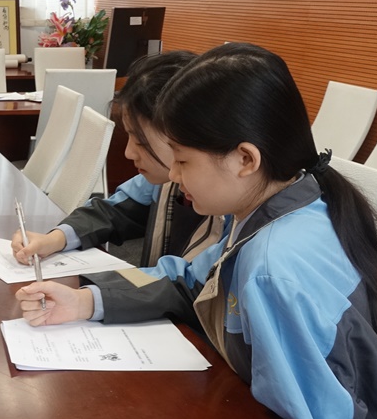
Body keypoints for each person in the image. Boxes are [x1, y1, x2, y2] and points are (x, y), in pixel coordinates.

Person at [16, 43, 377, 419]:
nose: (172, 177)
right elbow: (192, 276)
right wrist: (84, 301)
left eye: (182, 162)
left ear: (245, 158)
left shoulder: (271, 267)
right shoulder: (286, 207)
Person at [12, 50, 225, 269]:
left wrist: (97, 288)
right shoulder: (162, 183)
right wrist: (56, 239)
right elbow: (111, 212)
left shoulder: (231, 215)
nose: (129, 153)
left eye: (141, 142)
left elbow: (186, 281)